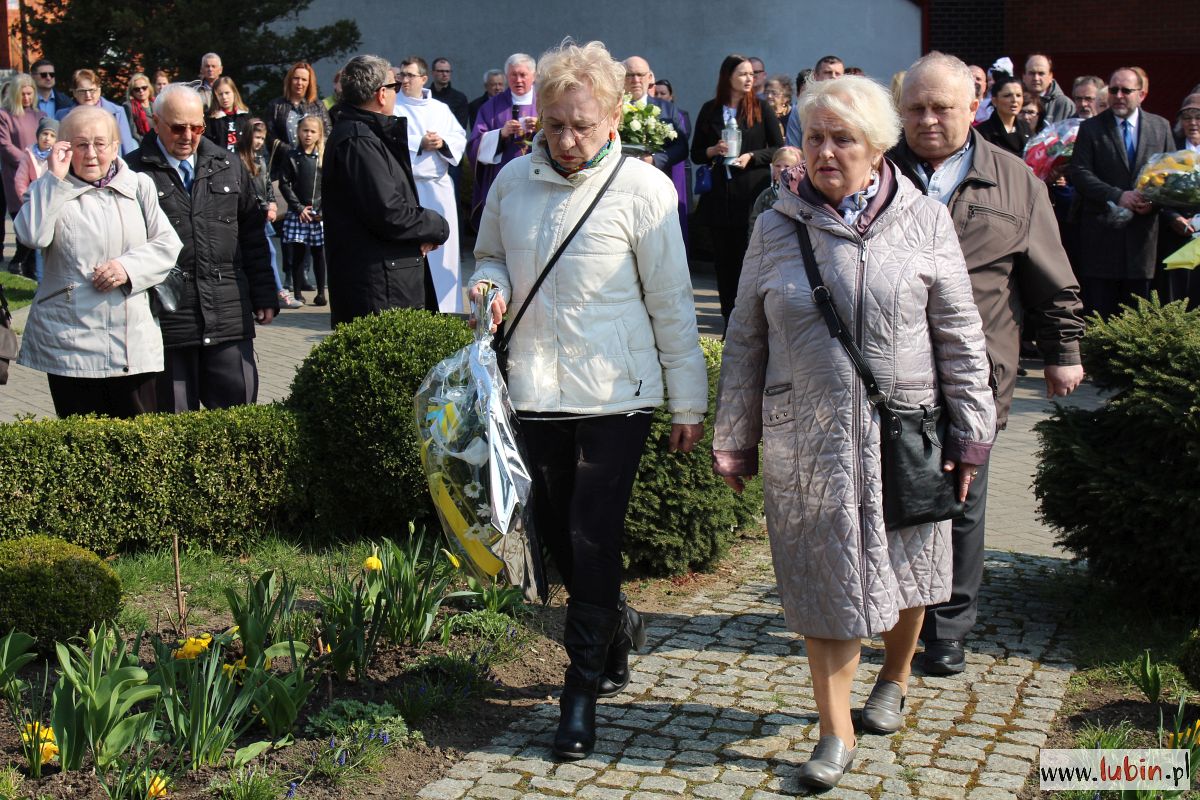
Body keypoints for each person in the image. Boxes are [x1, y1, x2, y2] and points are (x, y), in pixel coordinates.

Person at [714, 74, 996, 791]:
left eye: (843, 139)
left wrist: (971, 434)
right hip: (808, 441)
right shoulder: (775, 225)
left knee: (910, 572)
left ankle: (894, 678)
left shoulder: (924, 220)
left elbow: (960, 336)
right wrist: (735, 436)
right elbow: (745, 337)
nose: (826, 152)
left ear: (877, 148)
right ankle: (833, 731)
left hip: (905, 434)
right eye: (815, 137)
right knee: (825, 583)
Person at [469, 38, 707, 763]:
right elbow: (489, 257)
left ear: (613, 119)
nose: (567, 140)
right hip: (534, 388)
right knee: (554, 528)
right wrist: (488, 289)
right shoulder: (512, 182)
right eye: (554, 125)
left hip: (615, 395)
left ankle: (579, 690)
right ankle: (615, 625)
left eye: (581, 125)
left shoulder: (645, 190)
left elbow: (672, 303)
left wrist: (688, 402)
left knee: (592, 533)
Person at [888, 52, 1084, 675]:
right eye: (915, 108)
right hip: (886, 372)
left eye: (941, 107)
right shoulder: (877, 170)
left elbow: (1051, 276)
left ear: (972, 107)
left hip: (978, 373)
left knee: (961, 498)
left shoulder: (1015, 180)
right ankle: (891, 615)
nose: (927, 120)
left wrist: (1064, 353)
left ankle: (947, 628)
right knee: (889, 493)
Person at [15, 105, 182, 418]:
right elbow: (31, 236)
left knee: (137, 438)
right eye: (80, 145)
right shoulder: (48, 189)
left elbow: (167, 245)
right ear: (64, 148)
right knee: (80, 439)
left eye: (100, 143)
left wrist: (126, 268)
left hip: (130, 341)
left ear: (115, 146)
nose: (91, 154)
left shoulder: (139, 186)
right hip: (70, 345)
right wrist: (53, 179)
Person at [126, 84, 278, 412]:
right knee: (174, 424)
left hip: (228, 318)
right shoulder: (133, 172)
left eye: (196, 128)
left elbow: (252, 237)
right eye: (178, 128)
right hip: (169, 323)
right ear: (155, 122)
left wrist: (265, 294)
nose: (188, 136)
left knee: (238, 418)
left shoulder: (228, 165)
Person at [322, 54, 448, 326]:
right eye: (395, 86)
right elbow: (389, 212)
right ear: (381, 94)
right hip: (379, 286)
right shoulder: (358, 140)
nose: (397, 93)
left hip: (387, 278)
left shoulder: (367, 135)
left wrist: (421, 232)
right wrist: (437, 226)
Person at [1069, 67, 1175, 319]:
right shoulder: (1092, 128)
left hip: (1143, 241)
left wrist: (1153, 202)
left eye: (1126, 90)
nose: (1118, 96)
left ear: (1142, 94)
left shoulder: (1160, 127)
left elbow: (1170, 174)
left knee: (1141, 316)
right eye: (1114, 89)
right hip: (1102, 239)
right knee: (1101, 314)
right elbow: (1080, 173)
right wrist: (1118, 196)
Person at [691, 53, 781, 326]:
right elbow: (696, 153)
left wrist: (752, 156)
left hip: (750, 195)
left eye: (751, 74)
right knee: (723, 263)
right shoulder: (710, 109)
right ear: (727, 77)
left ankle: (750, 320)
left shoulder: (760, 108)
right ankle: (728, 320)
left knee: (748, 261)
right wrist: (713, 150)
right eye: (742, 74)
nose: (749, 79)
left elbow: (778, 148)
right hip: (720, 197)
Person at [393, 57, 466, 313]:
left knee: (443, 252)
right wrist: (418, 143)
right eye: (402, 75)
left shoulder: (440, 109)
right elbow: (389, 139)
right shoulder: (394, 107)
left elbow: (459, 137)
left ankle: (447, 309)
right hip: (408, 188)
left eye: (410, 75)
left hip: (438, 188)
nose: (404, 80)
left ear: (423, 79)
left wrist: (442, 142)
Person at [622, 56, 689, 244]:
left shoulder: (666, 109)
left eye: (640, 74)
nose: (636, 80)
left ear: (650, 77)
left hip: (655, 187)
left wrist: (654, 160)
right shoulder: (613, 108)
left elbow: (681, 148)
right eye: (630, 75)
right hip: (622, 186)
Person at [467, 53, 538, 229]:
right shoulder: (491, 107)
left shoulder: (546, 102)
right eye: (513, 75)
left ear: (534, 76)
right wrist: (500, 134)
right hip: (503, 178)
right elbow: (475, 145)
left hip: (538, 178)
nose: (518, 80)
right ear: (507, 76)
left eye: (523, 74)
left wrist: (541, 126)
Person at [239, 117, 301, 309]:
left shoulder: (260, 158)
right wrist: (263, 206)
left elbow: (266, 184)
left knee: (267, 252)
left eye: (262, 138)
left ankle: (275, 291)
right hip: (250, 214)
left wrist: (272, 204)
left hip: (262, 213)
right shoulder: (238, 160)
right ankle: (276, 291)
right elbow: (245, 189)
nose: (259, 141)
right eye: (256, 137)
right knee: (267, 252)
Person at [1154, 95, 1200, 306]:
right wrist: (1172, 217)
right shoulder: (1171, 148)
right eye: (1187, 117)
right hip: (1176, 233)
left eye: (1198, 117)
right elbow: (1155, 189)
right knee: (1176, 297)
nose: (1193, 123)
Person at [278, 115, 328, 306]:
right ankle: (297, 292)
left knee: (319, 254)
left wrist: (322, 210)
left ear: (319, 134)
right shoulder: (291, 156)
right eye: (305, 130)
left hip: (318, 214)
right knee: (298, 254)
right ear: (298, 132)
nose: (308, 134)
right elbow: (284, 183)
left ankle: (321, 292)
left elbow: (329, 185)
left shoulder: (323, 157)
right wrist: (298, 208)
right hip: (299, 212)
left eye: (313, 131)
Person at [0, 73, 47, 276]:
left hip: (39, 174)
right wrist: (28, 161)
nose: (27, 97)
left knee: (37, 221)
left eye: (30, 93)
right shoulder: (4, 115)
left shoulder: (40, 115)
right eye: (23, 94)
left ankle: (30, 269)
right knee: (22, 219)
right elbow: (4, 145)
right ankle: (19, 261)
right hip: (15, 175)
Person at [13, 117, 57, 281]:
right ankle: (40, 281)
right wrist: (27, 201)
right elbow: (20, 180)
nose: (47, 138)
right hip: (33, 204)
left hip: (53, 204)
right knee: (38, 245)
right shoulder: (29, 154)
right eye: (44, 134)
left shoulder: (58, 156)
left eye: (52, 135)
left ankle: (52, 280)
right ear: (38, 135)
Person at [57, 69, 137, 156]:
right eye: (82, 91)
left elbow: (127, 148)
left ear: (99, 90)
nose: (88, 95)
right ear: (74, 93)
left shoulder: (117, 112)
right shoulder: (62, 116)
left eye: (92, 90)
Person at [265, 62, 332, 153]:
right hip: (284, 159)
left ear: (309, 83)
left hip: (313, 158)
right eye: (296, 78)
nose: (299, 83)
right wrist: (290, 152)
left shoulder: (319, 106)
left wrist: (311, 150)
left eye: (304, 79)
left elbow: (328, 133)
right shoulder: (275, 105)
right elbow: (270, 136)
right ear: (289, 80)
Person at [785, 55, 843, 147]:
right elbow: (793, 149)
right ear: (816, 76)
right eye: (827, 72)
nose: (833, 77)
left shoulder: (852, 107)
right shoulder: (801, 109)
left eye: (838, 74)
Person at [747, 144, 802, 230]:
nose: (781, 169)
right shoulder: (766, 195)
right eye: (777, 166)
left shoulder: (804, 195)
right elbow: (755, 222)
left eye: (787, 166)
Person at [976, 76, 1034, 156]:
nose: (1014, 100)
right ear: (994, 101)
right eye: (1007, 95)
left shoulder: (1026, 128)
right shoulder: (982, 133)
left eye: (1018, 95)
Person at [1022, 54, 1075, 124]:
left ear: (1050, 77)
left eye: (1041, 73)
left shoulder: (1064, 105)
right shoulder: (1016, 101)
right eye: (1031, 73)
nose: (1036, 78)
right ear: (1024, 77)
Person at [204, 76, 251, 152]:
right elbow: (207, 144)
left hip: (241, 157)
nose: (224, 97)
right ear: (215, 96)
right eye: (220, 94)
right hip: (220, 158)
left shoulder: (245, 114)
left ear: (234, 92)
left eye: (227, 93)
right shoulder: (211, 118)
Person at [429, 58, 470, 130]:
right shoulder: (425, 95)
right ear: (433, 73)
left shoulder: (460, 98)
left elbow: (460, 127)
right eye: (441, 71)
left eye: (447, 71)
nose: (445, 74)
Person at [122, 72, 154, 145]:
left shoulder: (156, 103)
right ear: (132, 92)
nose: (141, 91)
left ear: (149, 88)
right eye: (137, 89)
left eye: (144, 88)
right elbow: (133, 133)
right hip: (142, 143)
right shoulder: (129, 106)